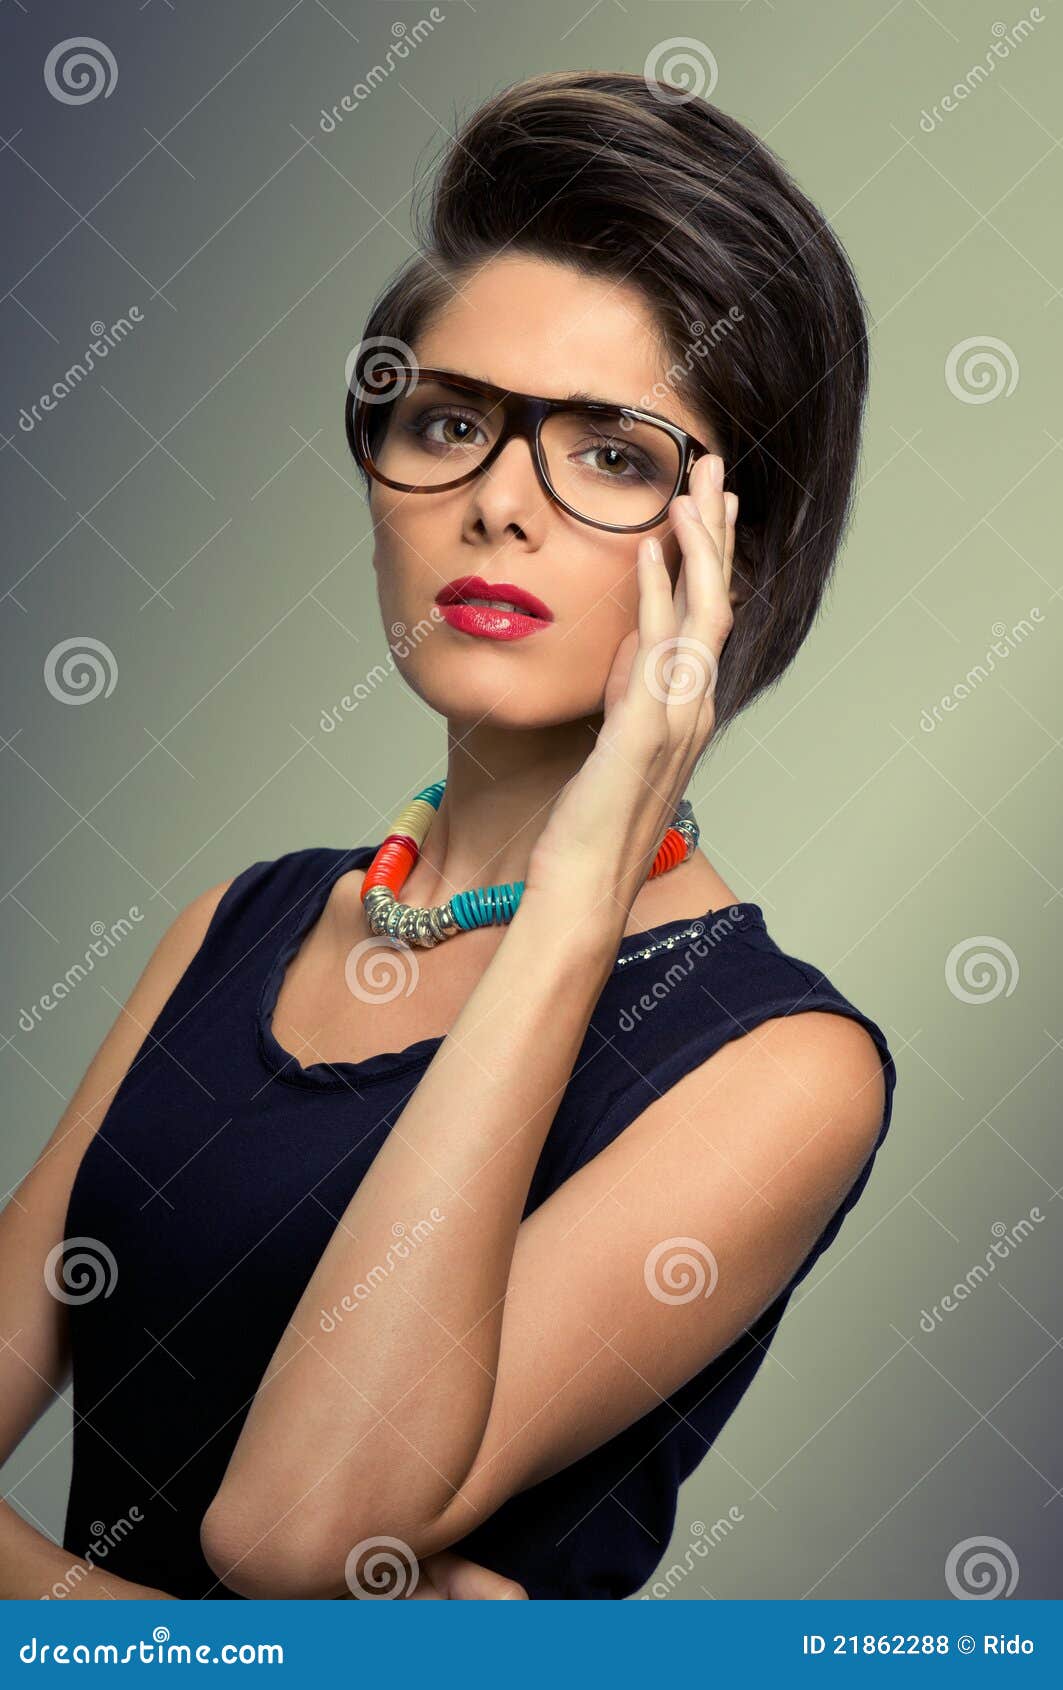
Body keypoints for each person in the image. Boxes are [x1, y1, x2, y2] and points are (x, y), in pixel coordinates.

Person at [0, 70, 896, 1602]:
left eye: (611, 452)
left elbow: (292, 1533)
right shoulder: (243, 922)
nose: (498, 503)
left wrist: (574, 895)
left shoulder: (781, 1064)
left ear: (735, 548)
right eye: (449, 421)